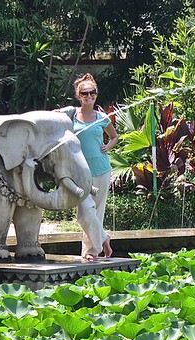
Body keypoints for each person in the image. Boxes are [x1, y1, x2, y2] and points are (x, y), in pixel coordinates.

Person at [56, 73, 118, 261]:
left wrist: (109, 145)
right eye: (84, 93)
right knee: (84, 212)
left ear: (96, 94)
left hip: (101, 170)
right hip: (79, 172)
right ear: (78, 95)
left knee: (96, 212)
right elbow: (51, 117)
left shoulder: (102, 118)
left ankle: (90, 252)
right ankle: (104, 238)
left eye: (92, 92)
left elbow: (114, 136)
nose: (88, 96)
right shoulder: (71, 113)